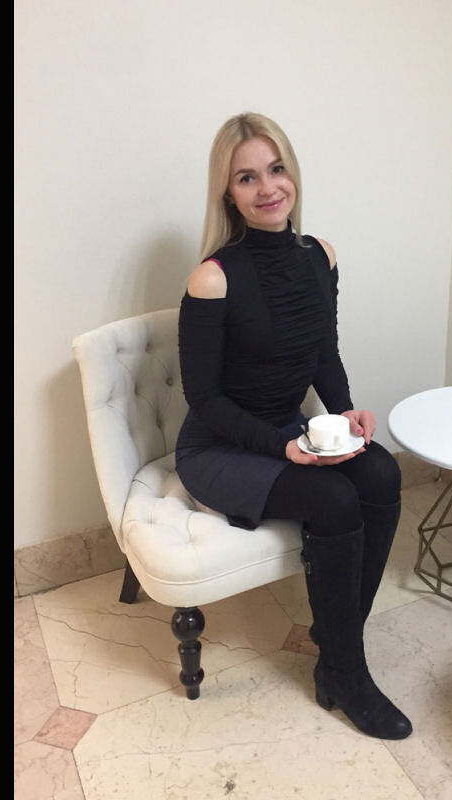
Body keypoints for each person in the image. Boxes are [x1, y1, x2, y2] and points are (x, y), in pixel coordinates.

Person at [175, 112, 412, 740]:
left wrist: (344, 411)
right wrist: (284, 444)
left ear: (293, 173)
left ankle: (335, 649)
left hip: (288, 427)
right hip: (219, 448)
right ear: (228, 194)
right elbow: (204, 399)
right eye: (247, 178)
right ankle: (348, 674)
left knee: (382, 472)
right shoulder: (212, 277)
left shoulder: (320, 257)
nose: (267, 188)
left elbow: (322, 353)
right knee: (333, 499)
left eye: (275, 169)